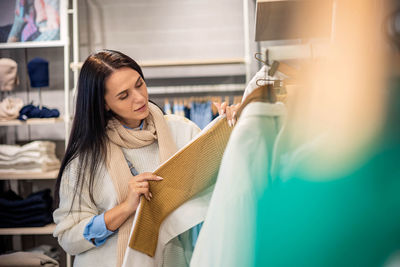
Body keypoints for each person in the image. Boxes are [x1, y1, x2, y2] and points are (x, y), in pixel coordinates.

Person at [52, 49, 236, 267]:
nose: (139, 98)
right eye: (124, 95)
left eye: (139, 84)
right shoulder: (85, 158)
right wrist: (125, 209)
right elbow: (68, 237)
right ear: (104, 104)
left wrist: (232, 130)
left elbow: (223, 184)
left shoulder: (182, 132)